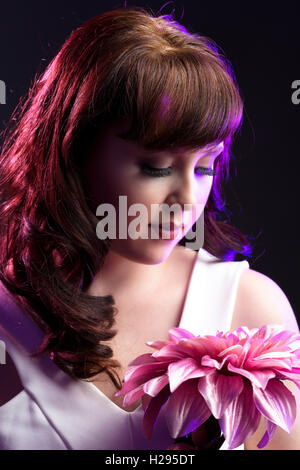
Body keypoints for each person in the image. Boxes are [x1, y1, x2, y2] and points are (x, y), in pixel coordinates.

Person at [0, 5, 299, 450]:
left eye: (204, 167)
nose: (186, 200)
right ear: (74, 150)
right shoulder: (7, 312)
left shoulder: (251, 312)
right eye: (156, 166)